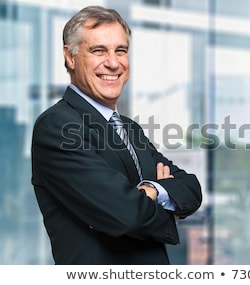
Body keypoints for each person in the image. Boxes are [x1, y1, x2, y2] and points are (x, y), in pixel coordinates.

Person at [31, 5, 202, 265]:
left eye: (120, 50)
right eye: (98, 50)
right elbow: (127, 214)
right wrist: (166, 200)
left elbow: (191, 187)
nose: (113, 62)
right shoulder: (57, 127)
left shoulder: (128, 128)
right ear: (70, 57)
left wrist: (151, 191)